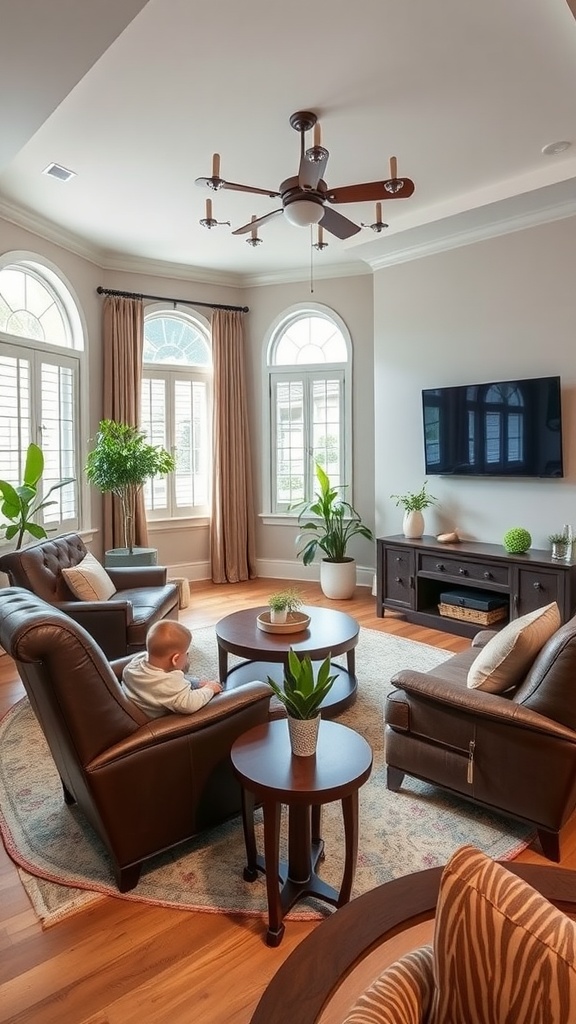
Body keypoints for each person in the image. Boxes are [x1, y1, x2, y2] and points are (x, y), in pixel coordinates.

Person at [122, 619, 222, 719]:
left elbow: (172, 677)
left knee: (187, 679)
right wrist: (209, 688)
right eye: (186, 654)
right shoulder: (169, 684)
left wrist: (196, 683)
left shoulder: (135, 663)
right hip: (154, 721)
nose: (188, 657)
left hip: (139, 702)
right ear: (175, 659)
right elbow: (189, 704)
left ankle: (196, 683)